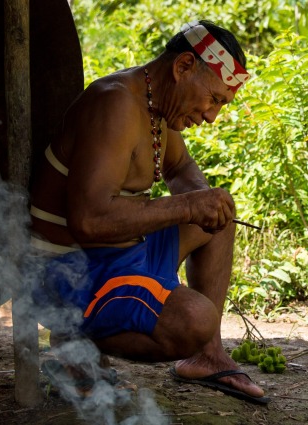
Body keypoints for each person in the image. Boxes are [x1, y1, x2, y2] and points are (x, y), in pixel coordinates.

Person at [30, 20, 268, 404]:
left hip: (121, 253)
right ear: (183, 67)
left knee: (218, 217)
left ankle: (207, 357)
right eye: (214, 99)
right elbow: (89, 221)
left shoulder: (157, 104)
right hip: (69, 271)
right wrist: (188, 205)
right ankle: (73, 349)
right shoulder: (116, 104)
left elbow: (181, 170)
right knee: (194, 318)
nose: (211, 116)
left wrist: (201, 202)